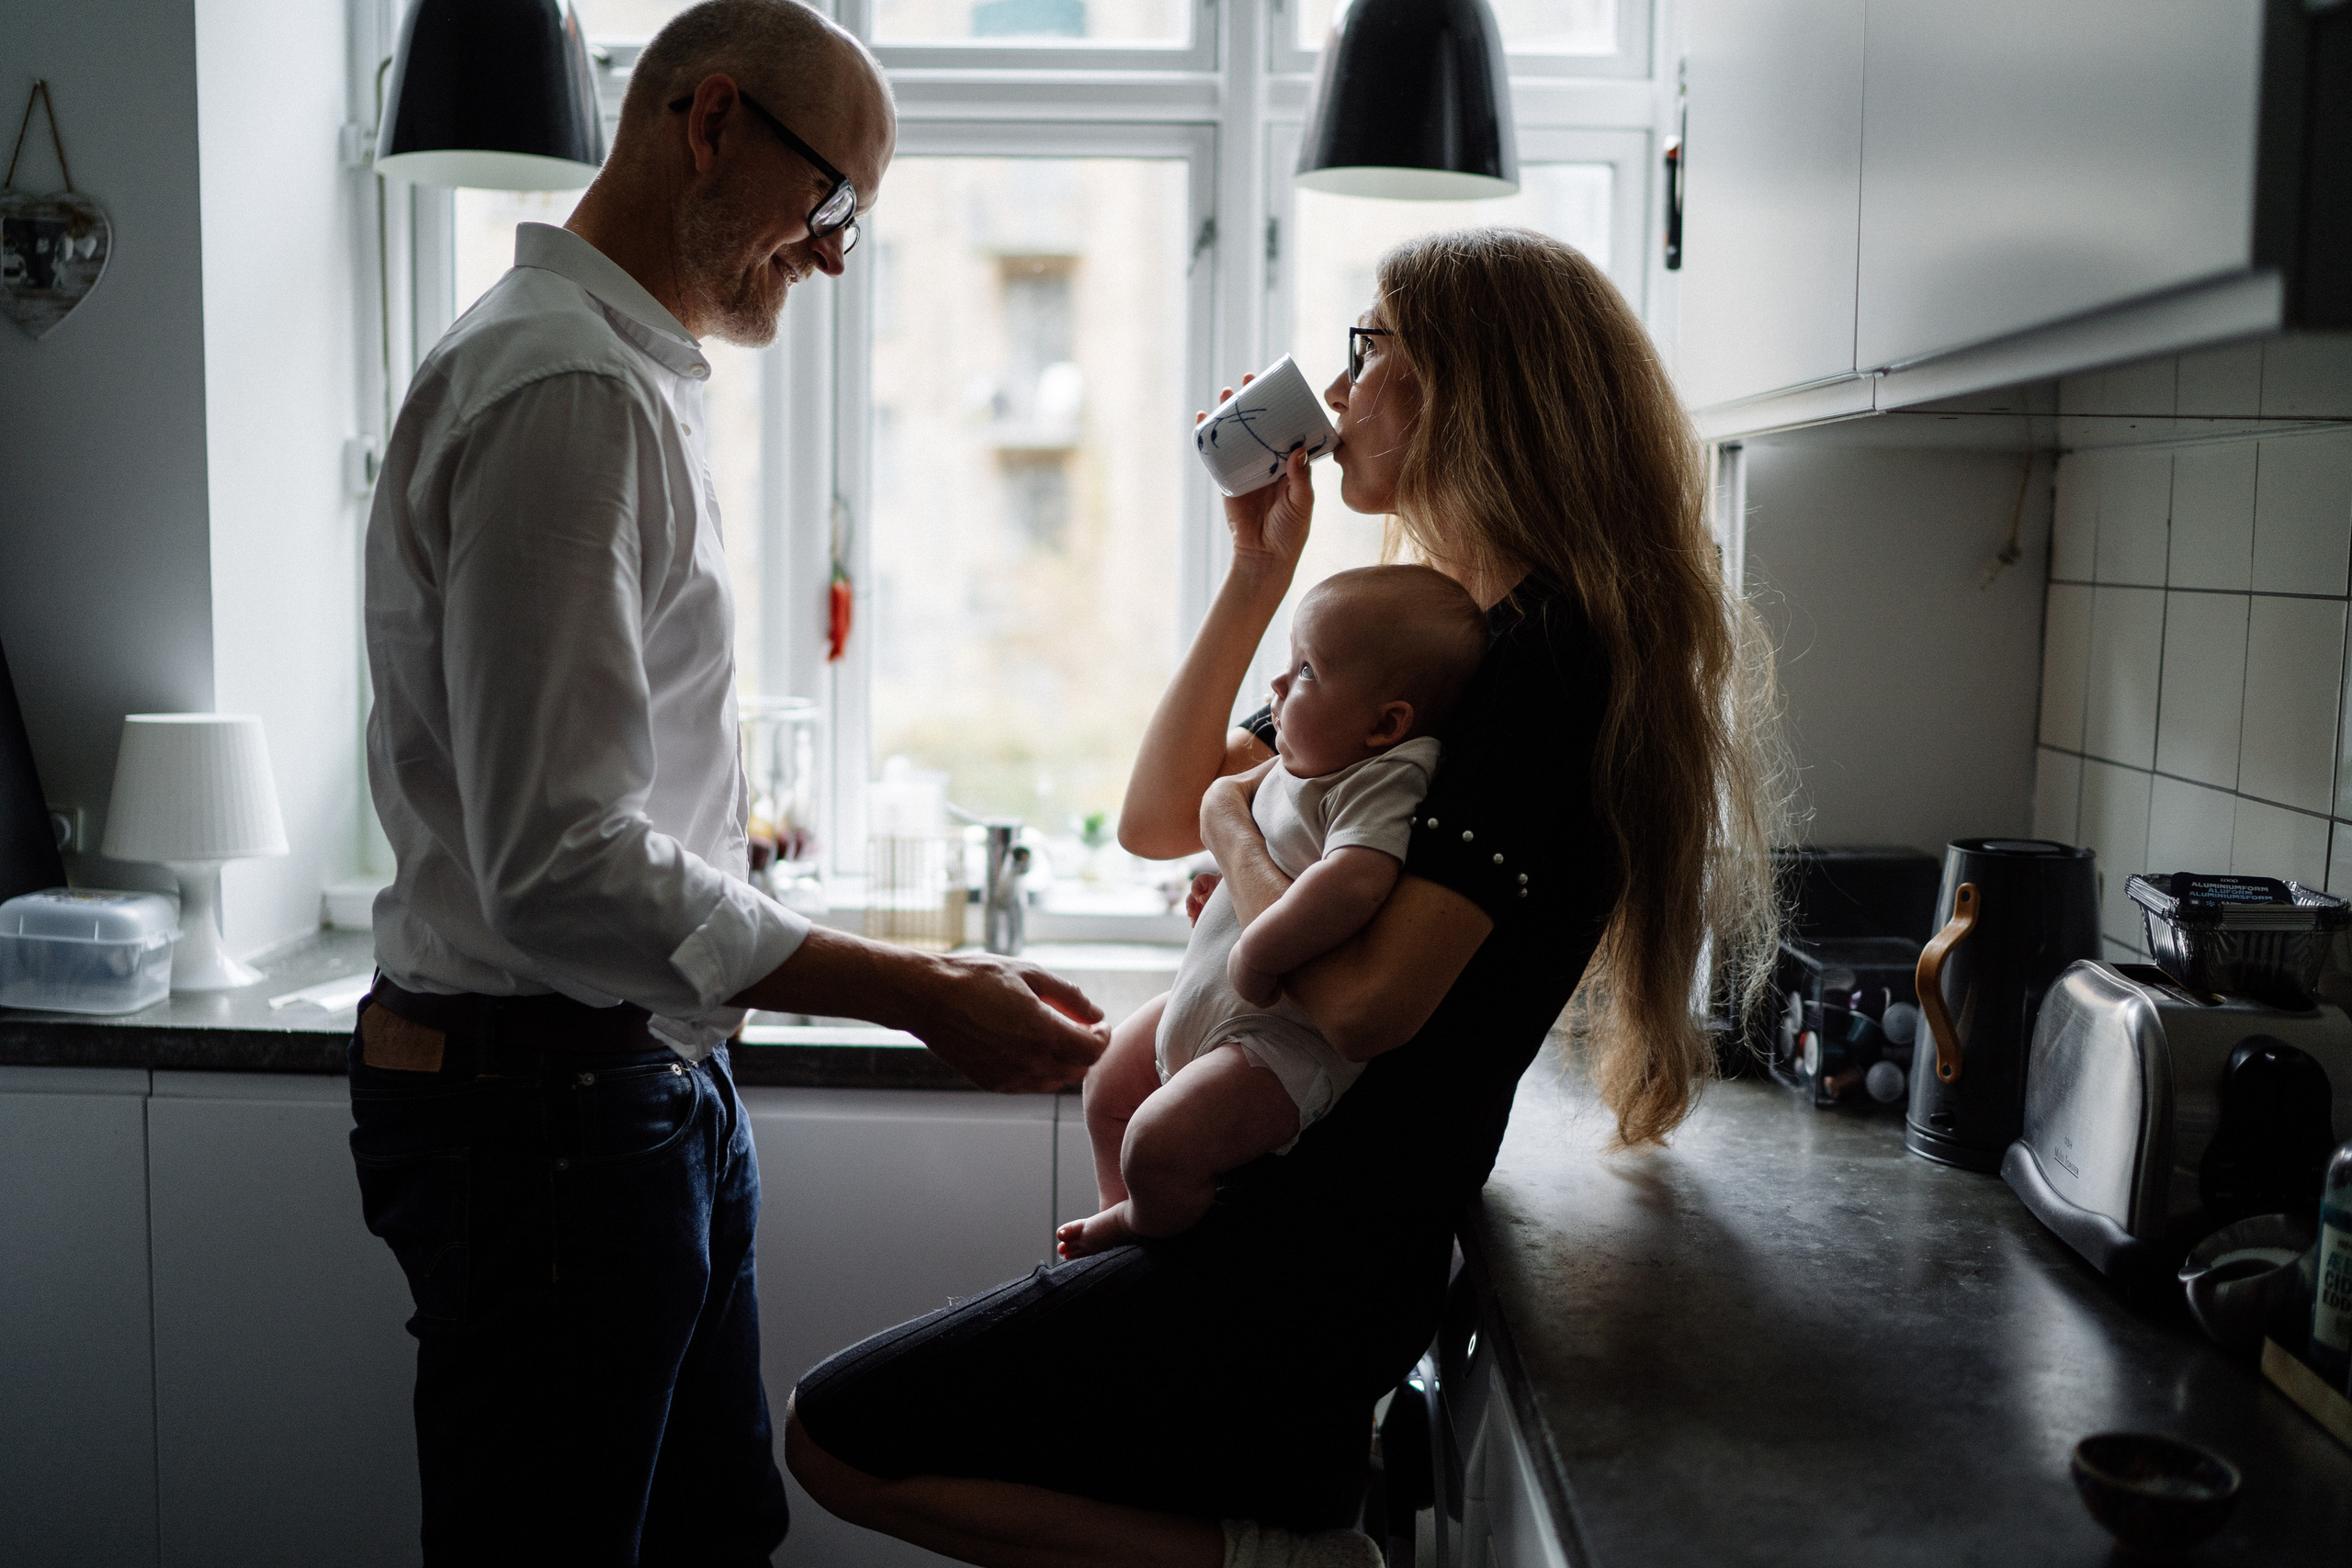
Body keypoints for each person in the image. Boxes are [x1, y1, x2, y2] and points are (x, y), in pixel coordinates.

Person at [784, 224, 1786, 1568]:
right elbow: (1155, 813)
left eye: (1371, 350)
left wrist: (1246, 853)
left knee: (837, 1433)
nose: (1338, 387)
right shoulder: (1439, 635)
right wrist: (1259, 571)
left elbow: (1367, 1002)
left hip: (1308, 1258)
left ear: (1467, 388)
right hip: (1282, 1227)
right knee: (856, 1430)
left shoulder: (1540, 660)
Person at [350, 4, 1105, 1562]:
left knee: (713, 1530)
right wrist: (910, 984)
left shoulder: (625, 373)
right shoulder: (567, 391)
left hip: (630, 1088)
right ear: (709, 124)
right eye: (830, 202)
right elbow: (557, 860)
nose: (834, 255)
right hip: (544, 1115)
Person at [1057, 565, 1487, 1260]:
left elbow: (1353, 882)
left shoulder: (1385, 777)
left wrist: (1255, 947)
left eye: (1307, 670)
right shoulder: (1305, 755)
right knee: (1108, 1082)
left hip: (1276, 1043)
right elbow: (1201, 828)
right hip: (1219, 1001)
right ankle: (1124, 1207)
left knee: (1157, 1143)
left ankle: (1145, 1224)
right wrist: (1219, 896)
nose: (1279, 685)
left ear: (1386, 722)